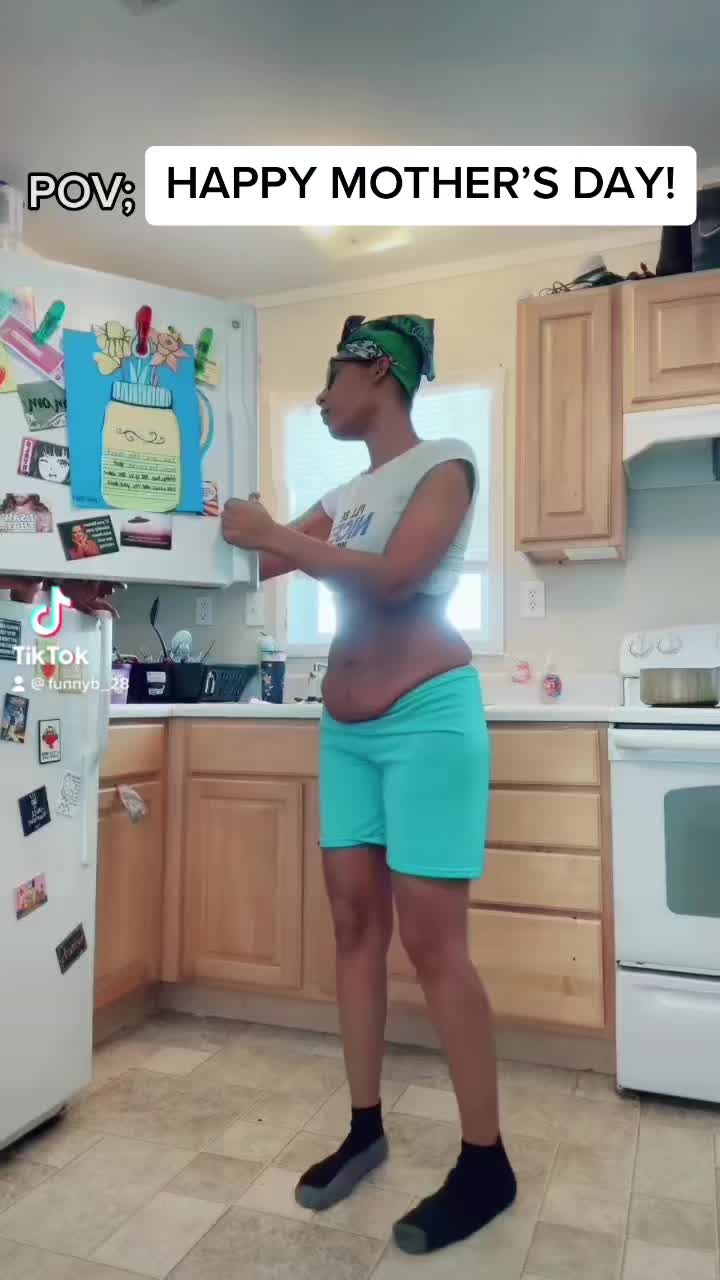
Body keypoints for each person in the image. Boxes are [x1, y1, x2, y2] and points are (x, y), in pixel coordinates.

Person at [221, 313, 516, 1256]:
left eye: (330, 377)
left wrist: (278, 533)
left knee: (434, 946)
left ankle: (486, 1163)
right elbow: (256, 557)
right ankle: (364, 1128)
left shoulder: (446, 464)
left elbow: (394, 578)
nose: (319, 397)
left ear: (378, 369)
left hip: (427, 721)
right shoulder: (345, 494)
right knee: (353, 927)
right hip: (345, 732)